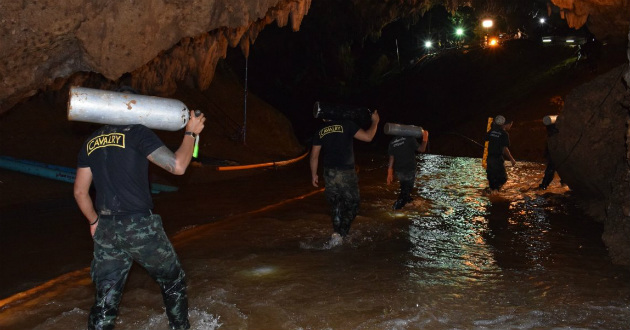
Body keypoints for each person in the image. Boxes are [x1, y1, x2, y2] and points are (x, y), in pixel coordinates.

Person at [73, 88, 206, 330]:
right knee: (172, 280)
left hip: (106, 230)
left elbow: (80, 192)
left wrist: (94, 222)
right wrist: (190, 133)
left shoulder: (90, 142)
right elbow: (177, 166)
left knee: (106, 299)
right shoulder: (136, 133)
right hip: (138, 226)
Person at [310, 110, 380, 246]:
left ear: (324, 118)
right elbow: (368, 137)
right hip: (346, 172)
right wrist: (375, 122)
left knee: (336, 203)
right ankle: (342, 233)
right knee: (353, 205)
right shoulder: (347, 124)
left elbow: (314, 155)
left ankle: (336, 234)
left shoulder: (320, 130)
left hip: (329, 173)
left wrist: (314, 174)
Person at [386, 129, 429, 210]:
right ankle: (395, 209)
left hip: (399, 171)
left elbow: (391, 157)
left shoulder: (392, 141)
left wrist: (389, 172)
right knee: (405, 192)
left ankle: (409, 203)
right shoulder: (409, 138)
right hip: (409, 169)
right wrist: (425, 138)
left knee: (404, 188)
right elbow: (422, 149)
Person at [484, 115, 516, 193]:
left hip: (489, 159)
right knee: (503, 178)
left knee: (491, 178)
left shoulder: (491, 131)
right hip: (497, 159)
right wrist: (511, 159)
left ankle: (491, 192)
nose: (510, 126)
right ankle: (496, 192)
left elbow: (486, 138)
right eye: (510, 125)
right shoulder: (504, 134)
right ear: (506, 124)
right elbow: (505, 148)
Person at [539, 122, 560, 190]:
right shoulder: (552, 136)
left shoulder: (550, 135)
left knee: (550, 171)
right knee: (550, 171)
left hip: (552, 156)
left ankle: (544, 184)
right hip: (553, 156)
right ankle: (544, 185)